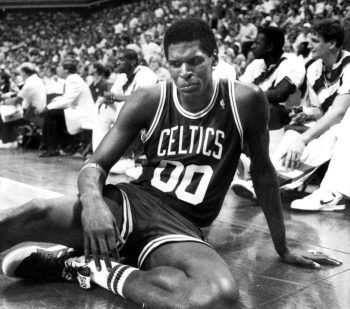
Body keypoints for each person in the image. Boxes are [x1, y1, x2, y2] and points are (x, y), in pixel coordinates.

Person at [0, 18, 341, 309]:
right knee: (28, 214)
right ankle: (93, 256)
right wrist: (92, 203)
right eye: (175, 64)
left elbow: (264, 173)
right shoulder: (149, 99)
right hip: (132, 204)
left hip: (183, 227)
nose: (185, 73)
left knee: (217, 295)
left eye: (195, 62)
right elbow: (96, 165)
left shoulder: (246, 100)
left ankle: (84, 267)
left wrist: (282, 246)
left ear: (215, 58)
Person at [92, 48, 157, 174]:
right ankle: (100, 155)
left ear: (132, 62)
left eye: (121, 60)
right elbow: (114, 95)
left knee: (125, 107)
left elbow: (141, 100)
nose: (117, 63)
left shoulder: (146, 74)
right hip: (130, 115)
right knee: (101, 109)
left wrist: (115, 97)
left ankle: (127, 159)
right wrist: (107, 99)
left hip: (149, 117)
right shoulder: (123, 76)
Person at [39, 57, 94, 157]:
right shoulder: (72, 79)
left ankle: (52, 147)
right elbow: (67, 98)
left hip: (83, 114)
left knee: (51, 113)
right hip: (76, 111)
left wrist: (48, 107)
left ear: (66, 70)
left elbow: (67, 100)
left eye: (59, 66)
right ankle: (64, 145)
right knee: (54, 115)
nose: (57, 69)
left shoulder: (73, 79)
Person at [0, 62, 46, 149]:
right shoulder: (37, 80)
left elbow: (16, 101)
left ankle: (10, 141)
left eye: (21, 73)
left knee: (4, 114)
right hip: (34, 110)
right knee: (6, 112)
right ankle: (10, 139)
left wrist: (3, 102)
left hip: (32, 114)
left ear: (24, 72)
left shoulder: (30, 83)